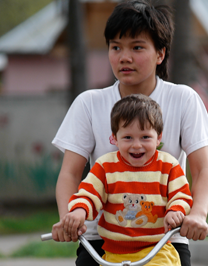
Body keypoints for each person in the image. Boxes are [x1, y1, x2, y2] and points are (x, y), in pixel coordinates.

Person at [51, 0, 208, 266]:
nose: (124, 57)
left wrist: (197, 215)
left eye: (137, 47)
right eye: (116, 47)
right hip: (102, 240)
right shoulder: (89, 103)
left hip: (166, 238)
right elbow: (70, 173)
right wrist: (69, 219)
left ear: (160, 53)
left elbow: (202, 171)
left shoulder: (183, 99)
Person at [62, 94, 193, 265]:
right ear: (115, 138)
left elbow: (181, 195)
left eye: (145, 137)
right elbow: (88, 194)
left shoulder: (168, 165)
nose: (137, 145)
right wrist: (79, 211)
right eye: (128, 137)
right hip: (113, 253)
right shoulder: (105, 166)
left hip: (157, 250)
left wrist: (175, 211)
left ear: (158, 137)